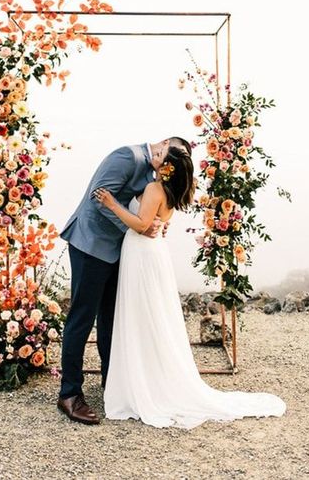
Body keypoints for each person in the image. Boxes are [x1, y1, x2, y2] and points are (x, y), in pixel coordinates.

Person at [94, 146, 287, 429]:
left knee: (141, 315)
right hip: (153, 253)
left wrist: (112, 204)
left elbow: (140, 224)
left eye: (161, 156)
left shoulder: (153, 189)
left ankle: (142, 382)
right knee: (151, 316)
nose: (155, 155)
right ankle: (145, 376)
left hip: (142, 254)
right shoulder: (169, 192)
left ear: (167, 168)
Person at [57, 137, 192, 425]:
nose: (165, 164)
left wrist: (154, 223)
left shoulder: (155, 174)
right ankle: (69, 393)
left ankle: (113, 385)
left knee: (112, 319)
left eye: (170, 163)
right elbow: (99, 197)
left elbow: (151, 207)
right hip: (91, 246)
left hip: (122, 252)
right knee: (82, 318)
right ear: (165, 143)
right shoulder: (125, 157)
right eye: (167, 155)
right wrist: (138, 228)